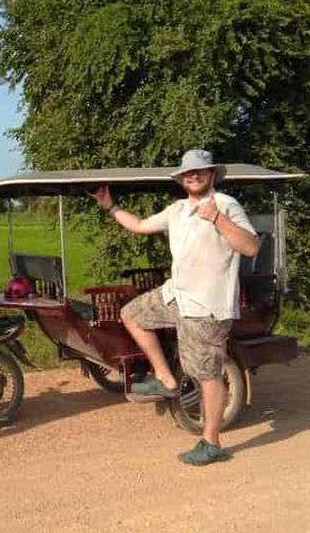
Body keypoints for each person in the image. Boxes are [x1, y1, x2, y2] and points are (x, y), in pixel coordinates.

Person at [94, 149, 259, 466]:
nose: (193, 176)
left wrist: (217, 219)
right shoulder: (178, 210)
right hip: (176, 295)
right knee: (132, 314)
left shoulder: (225, 205)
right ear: (182, 179)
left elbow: (250, 246)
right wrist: (110, 206)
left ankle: (211, 442)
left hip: (206, 306)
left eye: (200, 171)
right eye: (188, 173)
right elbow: (140, 225)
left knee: (206, 374)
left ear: (211, 175)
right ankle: (166, 379)